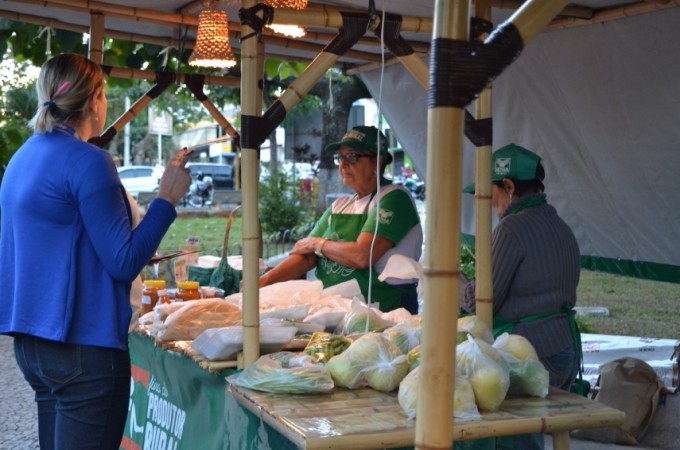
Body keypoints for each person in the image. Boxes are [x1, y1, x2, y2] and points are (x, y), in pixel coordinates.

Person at [0, 53, 192, 450]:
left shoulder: (23, 157)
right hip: (83, 350)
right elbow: (123, 262)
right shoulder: (90, 161)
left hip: (33, 346)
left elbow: (63, 243)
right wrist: (166, 200)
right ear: (95, 100)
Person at [459, 143, 581, 450]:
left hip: (533, 352)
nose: (491, 205)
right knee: (534, 434)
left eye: (493, 195)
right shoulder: (558, 224)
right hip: (564, 345)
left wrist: (452, 279)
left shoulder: (512, 228)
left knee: (518, 440)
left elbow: (480, 301)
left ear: (509, 187)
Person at [259, 125, 423, 313]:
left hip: (385, 312)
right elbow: (305, 255)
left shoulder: (394, 198)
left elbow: (362, 255)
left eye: (352, 156)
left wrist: (319, 244)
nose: (343, 165)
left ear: (377, 162)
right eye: (340, 157)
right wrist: (264, 282)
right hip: (338, 310)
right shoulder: (341, 204)